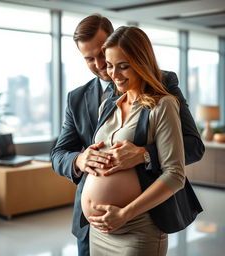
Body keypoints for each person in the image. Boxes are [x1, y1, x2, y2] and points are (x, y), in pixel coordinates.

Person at [51, 14, 204, 256]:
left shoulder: (163, 87)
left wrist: (145, 154)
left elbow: (193, 146)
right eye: (89, 59)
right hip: (91, 227)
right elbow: (58, 154)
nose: (101, 66)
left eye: (103, 54)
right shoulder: (80, 99)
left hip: (139, 222)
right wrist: (79, 160)